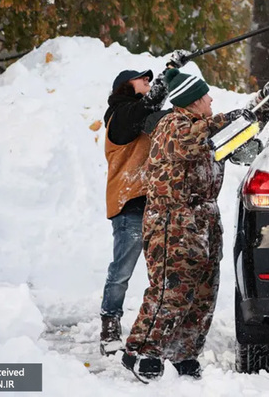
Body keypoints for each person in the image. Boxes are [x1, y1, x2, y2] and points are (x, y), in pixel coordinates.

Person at [121, 69, 269, 380]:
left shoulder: (208, 130)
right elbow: (207, 135)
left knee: (201, 295)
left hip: (204, 224)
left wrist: (267, 102)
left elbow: (239, 133)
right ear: (193, 101)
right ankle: (141, 350)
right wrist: (236, 117)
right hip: (172, 223)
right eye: (206, 96)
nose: (211, 99)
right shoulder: (173, 127)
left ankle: (184, 353)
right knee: (171, 292)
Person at [99, 50, 192, 356]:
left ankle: (162, 327)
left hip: (155, 202)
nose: (148, 81)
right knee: (122, 270)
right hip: (129, 204)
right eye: (143, 78)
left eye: (151, 79)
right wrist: (169, 71)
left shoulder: (141, 116)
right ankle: (109, 324)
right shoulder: (119, 117)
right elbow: (149, 106)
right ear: (126, 86)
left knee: (164, 272)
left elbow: (160, 115)